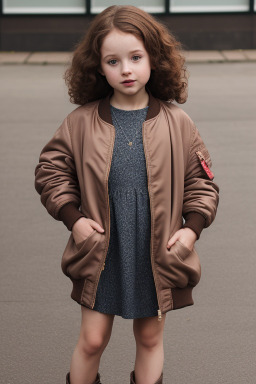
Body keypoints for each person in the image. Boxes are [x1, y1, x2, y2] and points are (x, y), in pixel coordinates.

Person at [34, 5, 219, 384]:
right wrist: (75, 219)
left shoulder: (177, 123)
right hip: (103, 249)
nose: (127, 69)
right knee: (92, 339)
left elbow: (202, 183)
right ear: (99, 67)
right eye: (113, 61)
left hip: (155, 250)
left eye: (136, 57)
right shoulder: (81, 122)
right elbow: (50, 171)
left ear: (154, 58)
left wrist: (191, 230)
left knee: (150, 337)